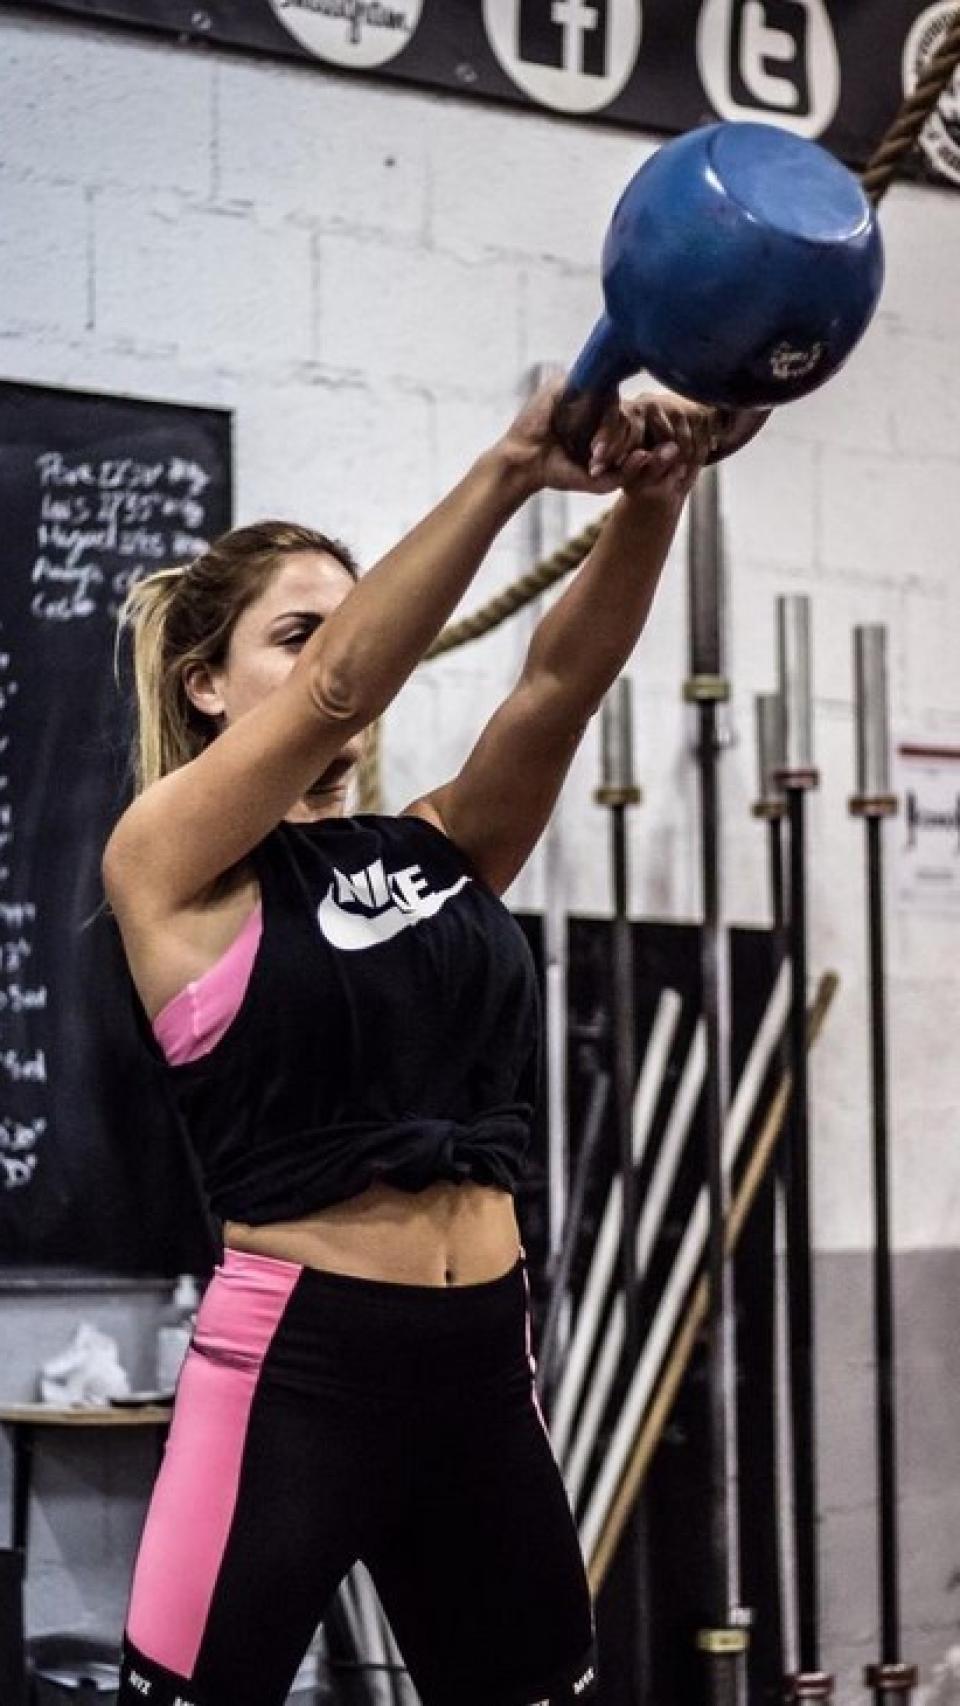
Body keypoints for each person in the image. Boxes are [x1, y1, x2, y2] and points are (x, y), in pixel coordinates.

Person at [103, 376, 743, 1706]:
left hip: (479, 1365)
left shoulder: (441, 848)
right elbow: (338, 694)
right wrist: (512, 466)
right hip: (297, 1376)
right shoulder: (168, 868)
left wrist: (654, 501)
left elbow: (561, 685)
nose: (350, 653)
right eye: (297, 631)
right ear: (207, 682)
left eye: (355, 619)